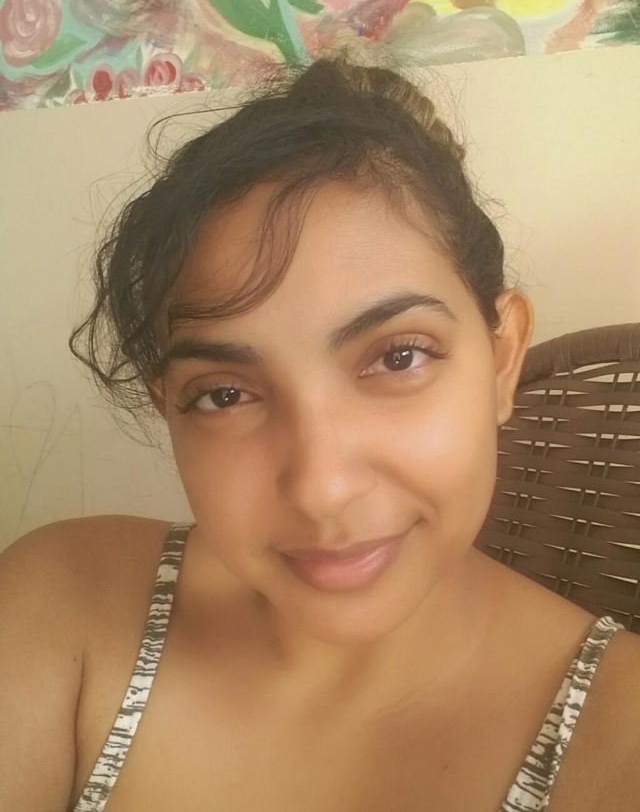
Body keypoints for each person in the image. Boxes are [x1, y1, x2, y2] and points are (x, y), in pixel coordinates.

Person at [1, 54, 639, 812]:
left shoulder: (621, 739)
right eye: (225, 394)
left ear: (503, 360)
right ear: (167, 405)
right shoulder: (62, 603)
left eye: (398, 357)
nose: (321, 488)